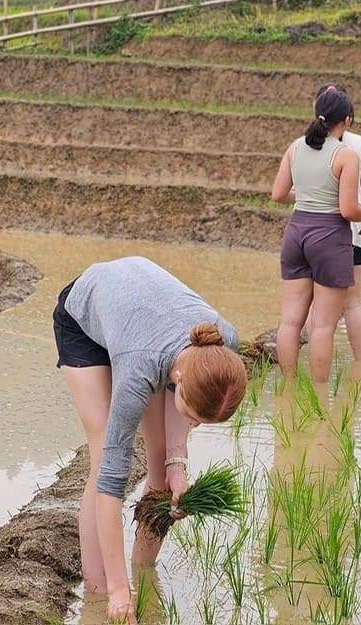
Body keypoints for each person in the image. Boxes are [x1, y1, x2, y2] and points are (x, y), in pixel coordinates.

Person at [54, 256, 249, 625]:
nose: (193, 424)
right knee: (102, 460)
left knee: (160, 469)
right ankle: (99, 595)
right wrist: (118, 592)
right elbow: (112, 486)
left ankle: (144, 570)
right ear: (177, 378)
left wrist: (178, 462)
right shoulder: (138, 370)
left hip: (145, 318)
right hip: (85, 317)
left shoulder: (223, 346)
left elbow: (182, 407)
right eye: (192, 415)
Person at [272, 87, 361, 384]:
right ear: (347, 120)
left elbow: (278, 194)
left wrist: (309, 195)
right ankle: (319, 396)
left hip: (296, 232)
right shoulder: (345, 155)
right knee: (322, 326)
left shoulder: (295, 147)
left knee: (290, 320)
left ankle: (288, 385)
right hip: (329, 235)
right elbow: (349, 209)